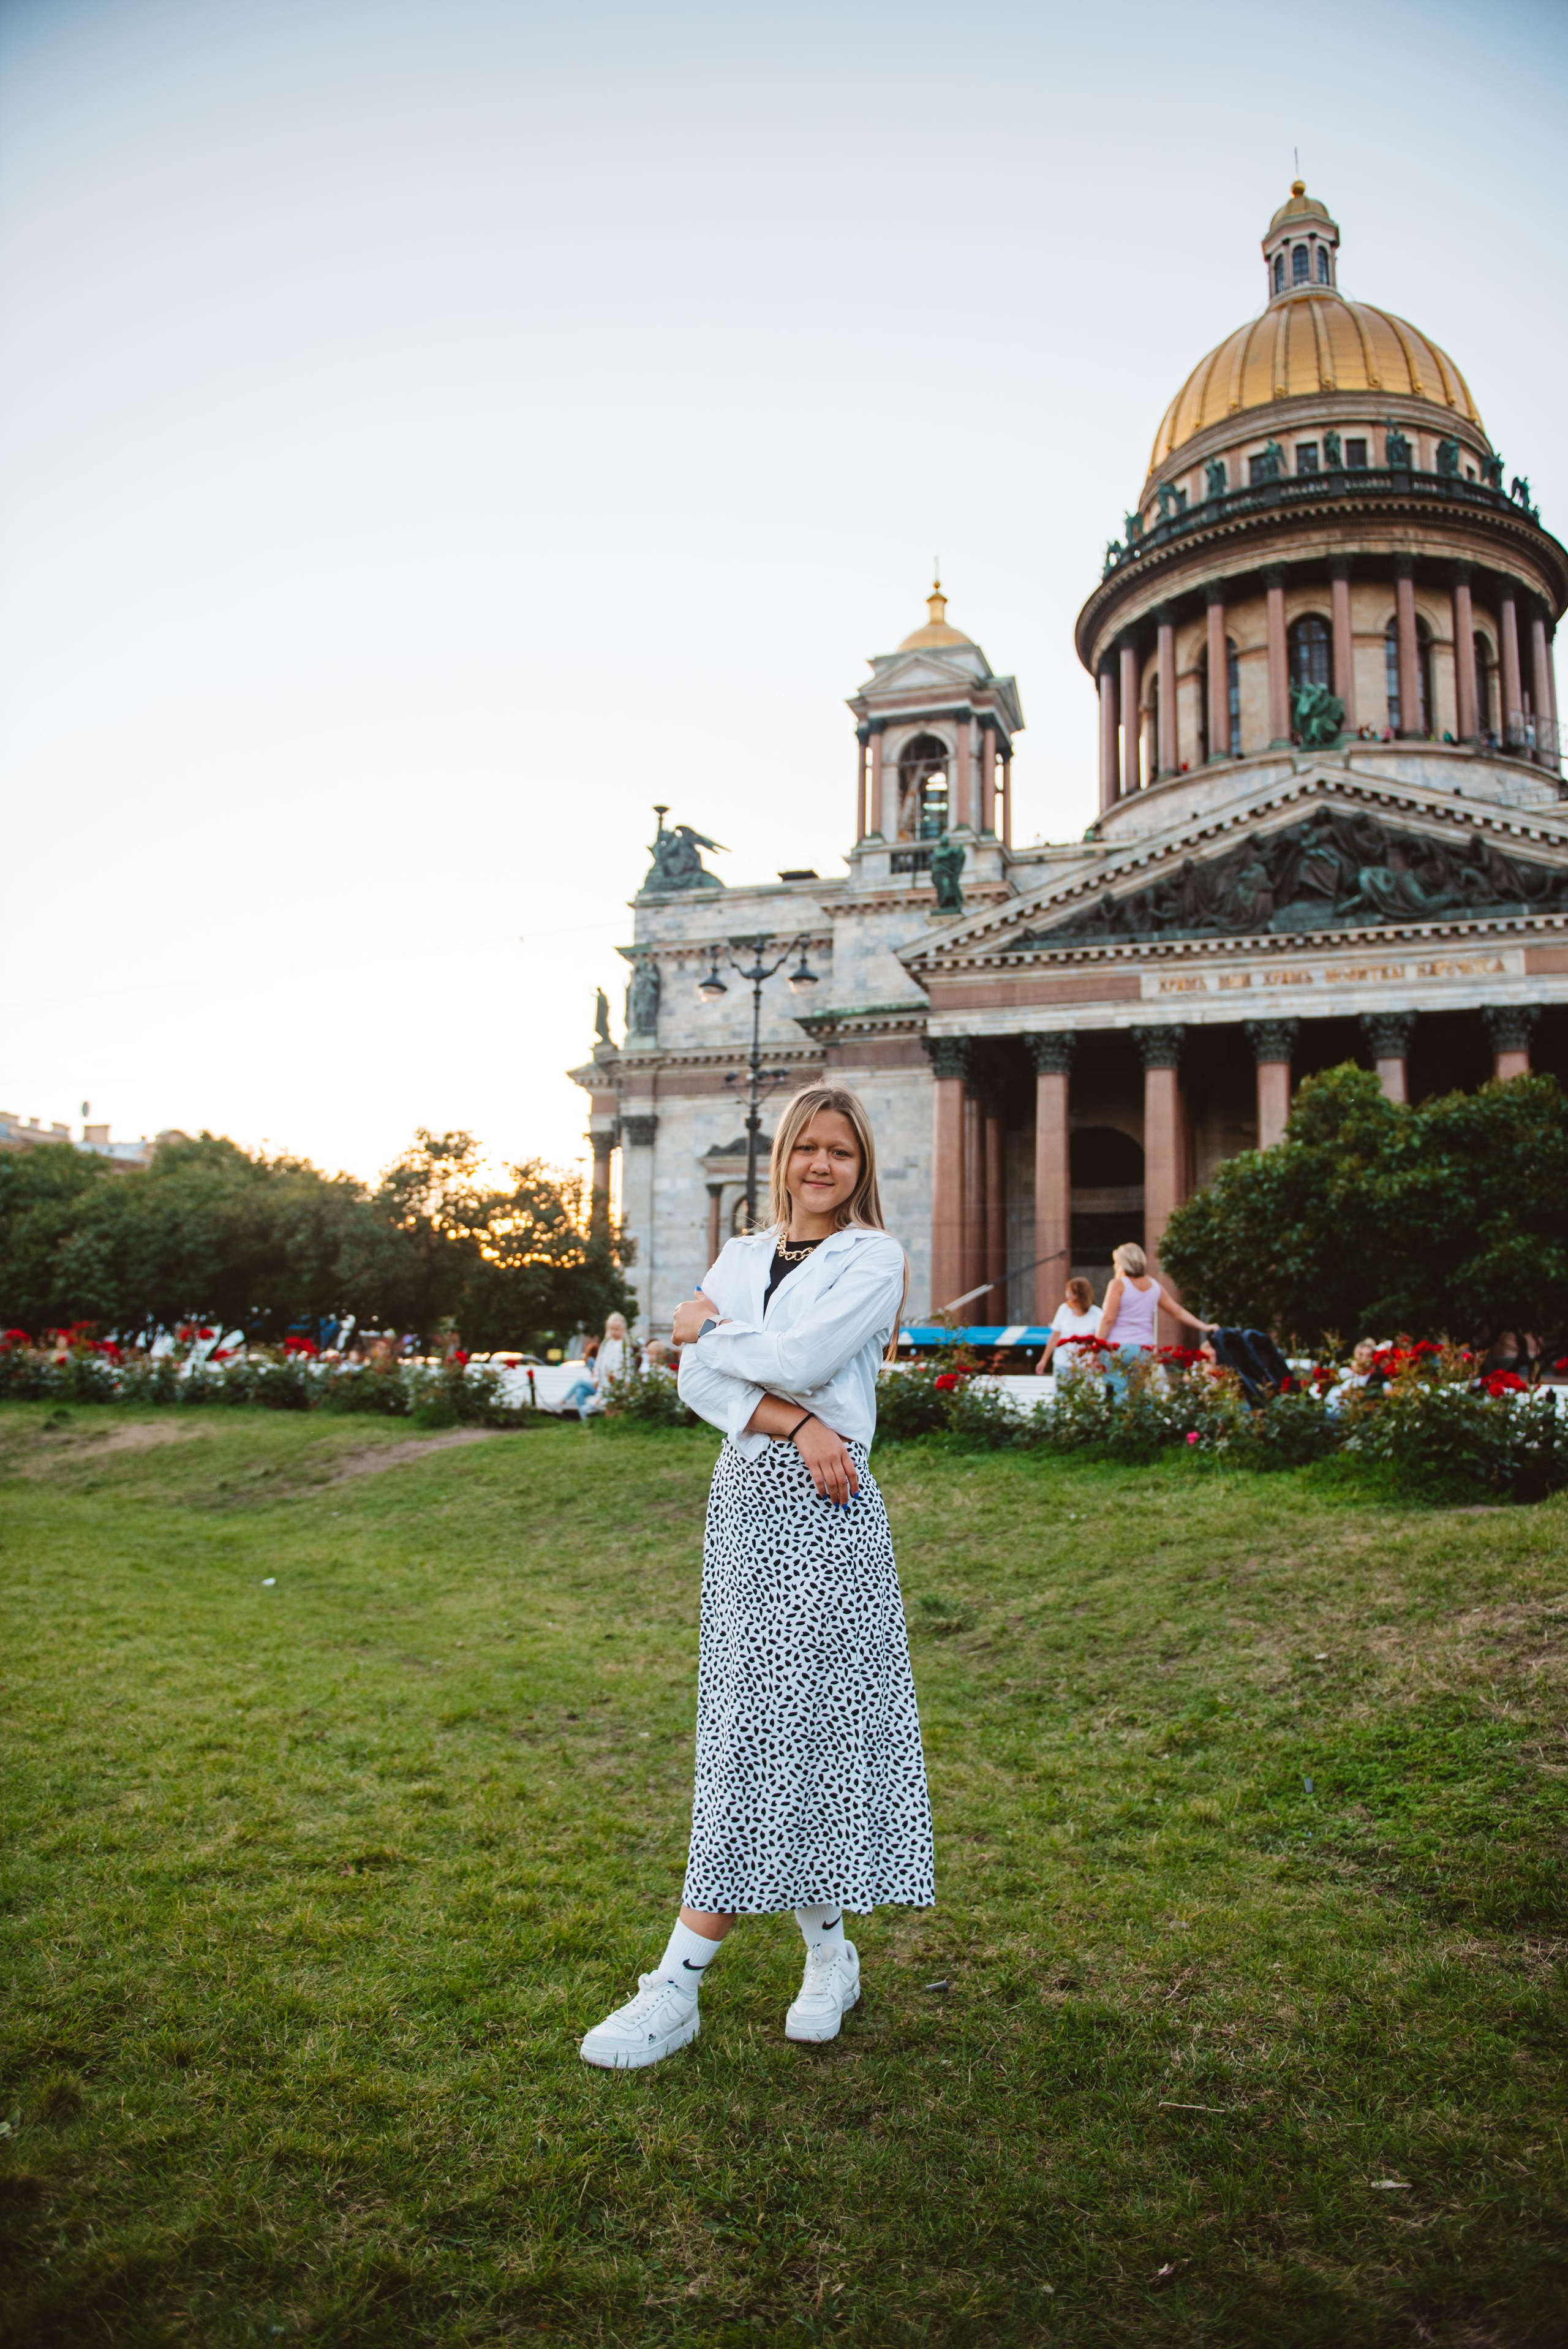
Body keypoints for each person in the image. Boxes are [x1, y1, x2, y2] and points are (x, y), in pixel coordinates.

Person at [578, 1084, 933, 2070]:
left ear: (861, 1167)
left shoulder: (874, 1256)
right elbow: (700, 1384)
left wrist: (709, 1334)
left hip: (829, 1511)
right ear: (783, 1156)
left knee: (796, 1726)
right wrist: (796, 1415)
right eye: (808, 1148)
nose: (823, 1165)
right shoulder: (740, 1256)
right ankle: (829, 1953)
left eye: (843, 1152)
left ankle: (677, 1983)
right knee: (757, 1722)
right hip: (749, 1497)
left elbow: (802, 1351)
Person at [1096, 1242, 1215, 1398]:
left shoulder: (1118, 1285)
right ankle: (1142, 1421)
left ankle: (1119, 1420)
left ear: (1122, 1263)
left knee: (1118, 1393)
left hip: (1117, 1348)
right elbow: (1177, 1311)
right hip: (1143, 1350)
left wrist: (1096, 1346)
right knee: (1141, 1396)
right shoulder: (1154, 1286)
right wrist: (1204, 1327)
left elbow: (1108, 1319)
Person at [1035, 1276, 1099, 1377]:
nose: (1067, 1295)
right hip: (1062, 1363)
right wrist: (1044, 1360)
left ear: (1079, 1294)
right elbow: (1055, 1336)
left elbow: (1100, 1340)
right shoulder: (1063, 1309)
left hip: (1086, 1366)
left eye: (1070, 1292)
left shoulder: (1097, 1313)